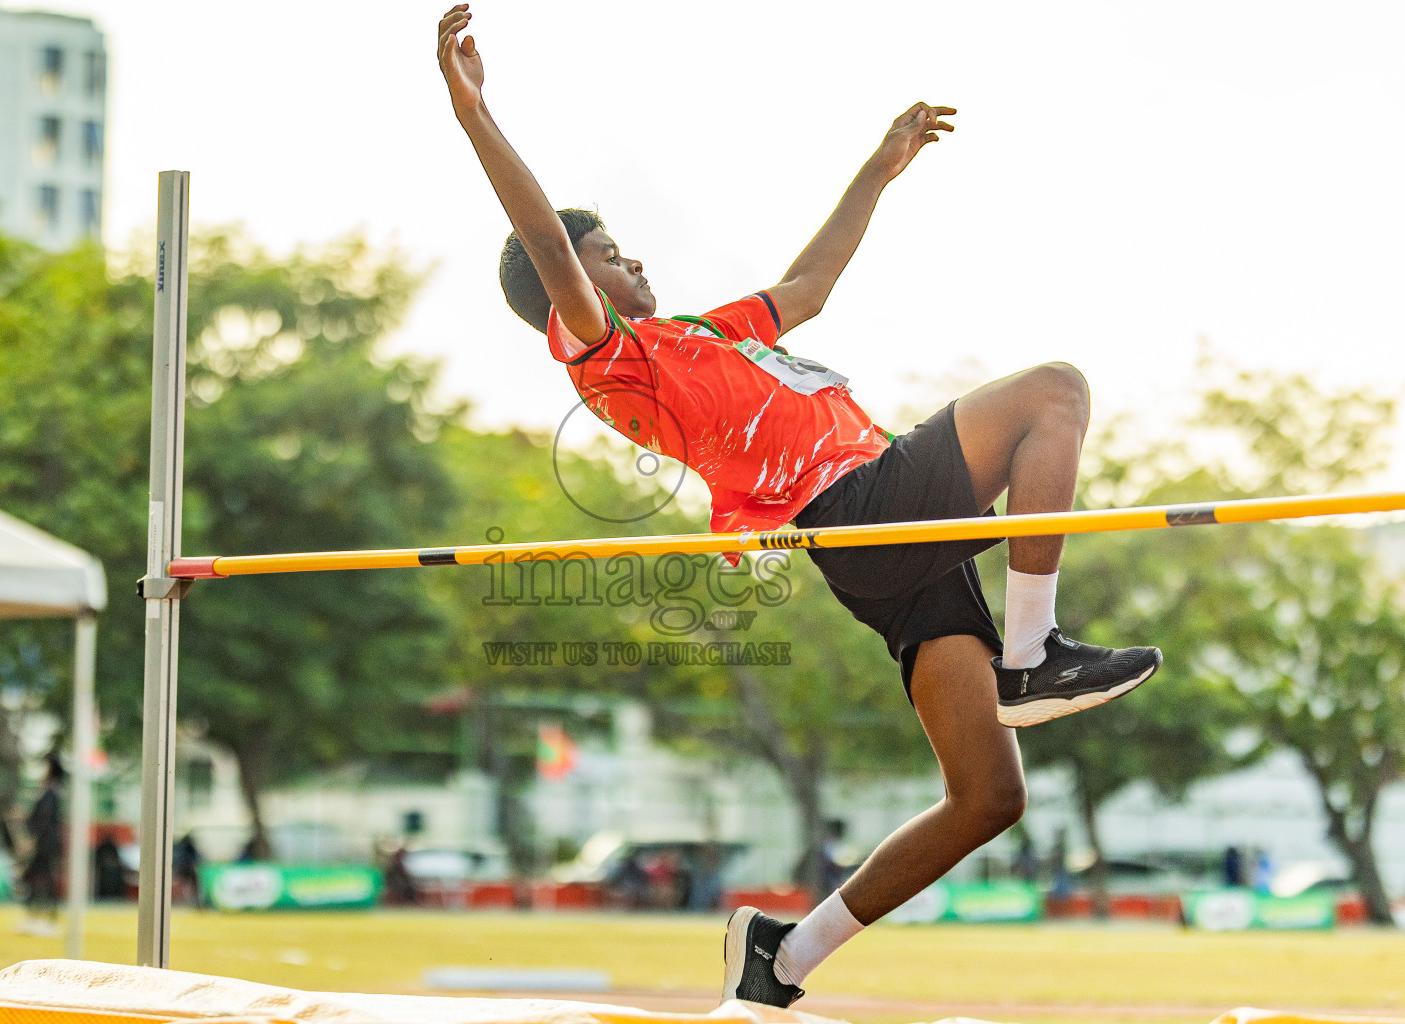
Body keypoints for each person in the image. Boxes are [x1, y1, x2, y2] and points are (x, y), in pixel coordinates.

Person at [436, 5, 1162, 1007]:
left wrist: (879, 165)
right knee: (1055, 393)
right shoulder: (612, 358)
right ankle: (1032, 657)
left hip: (891, 544)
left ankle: (784, 956)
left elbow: (810, 285)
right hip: (861, 506)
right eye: (611, 256)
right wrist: (476, 113)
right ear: (574, 294)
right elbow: (546, 245)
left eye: (622, 249)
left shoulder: (708, 331)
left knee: (987, 796)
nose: (630, 262)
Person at [20, 756, 64, 935]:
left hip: (45, 843)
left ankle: (43, 920)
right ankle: (40, 918)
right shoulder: (50, 794)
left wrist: (32, 840)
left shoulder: (50, 795)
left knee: (39, 879)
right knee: (40, 879)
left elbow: (43, 821)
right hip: (46, 842)